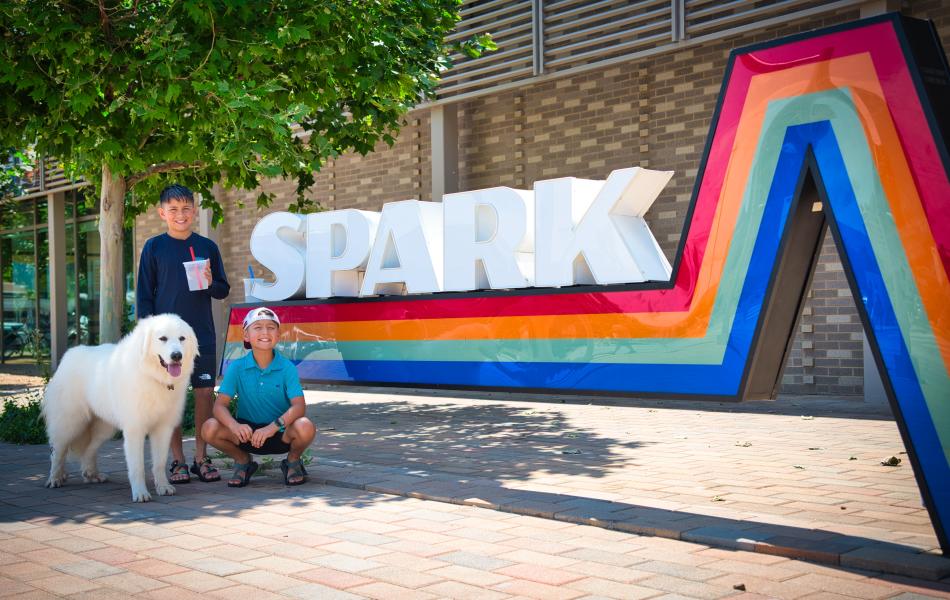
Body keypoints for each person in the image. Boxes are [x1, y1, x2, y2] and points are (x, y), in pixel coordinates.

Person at [137, 184, 230, 484]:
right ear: (162, 213)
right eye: (173, 209)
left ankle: (201, 459)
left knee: (204, 394)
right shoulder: (153, 247)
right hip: (167, 342)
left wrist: (210, 281)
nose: (181, 214)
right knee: (172, 397)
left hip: (201, 335)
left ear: (194, 211)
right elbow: (144, 296)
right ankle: (177, 461)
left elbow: (222, 290)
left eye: (186, 208)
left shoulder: (207, 247)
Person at [201, 307, 316, 487]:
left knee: (305, 426)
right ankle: (243, 461)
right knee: (209, 427)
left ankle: (293, 461)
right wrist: (235, 426)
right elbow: (219, 406)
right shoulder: (237, 367)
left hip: (280, 432)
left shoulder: (287, 367)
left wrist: (272, 427)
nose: (265, 332)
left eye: (271, 327)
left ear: (278, 335)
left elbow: (299, 407)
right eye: (258, 327)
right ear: (246, 335)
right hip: (246, 434)